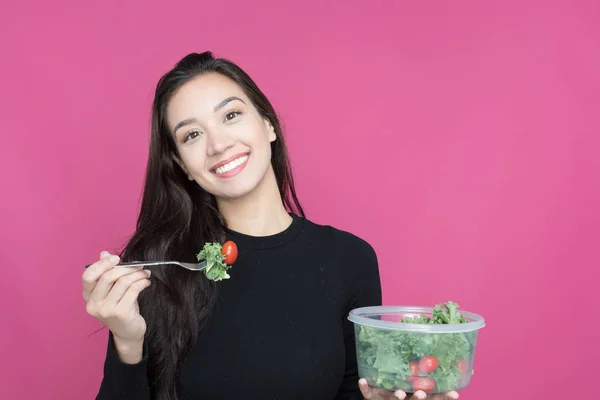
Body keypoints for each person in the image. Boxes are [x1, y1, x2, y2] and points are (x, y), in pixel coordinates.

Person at [82, 51, 459, 400]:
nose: (218, 144)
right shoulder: (156, 265)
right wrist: (127, 343)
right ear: (182, 167)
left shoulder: (350, 260)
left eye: (230, 115)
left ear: (269, 125)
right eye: (192, 135)